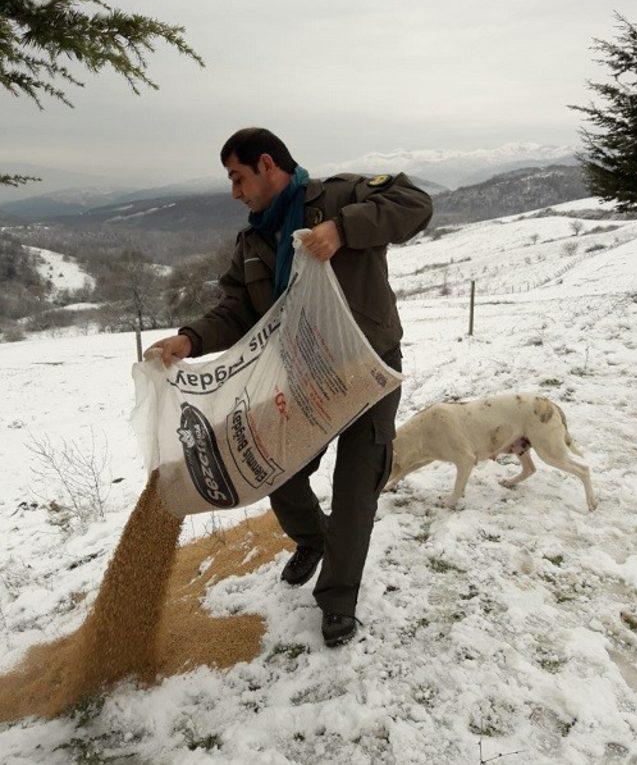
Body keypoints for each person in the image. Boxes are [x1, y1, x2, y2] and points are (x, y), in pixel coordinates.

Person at [145, 127, 432, 646]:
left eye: (238, 178)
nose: (235, 192)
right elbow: (237, 308)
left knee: (355, 488)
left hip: (368, 370)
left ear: (267, 165)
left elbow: (415, 203)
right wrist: (190, 339)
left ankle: (338, 600)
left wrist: (345, 229)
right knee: (275, 467)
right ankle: (313, 538)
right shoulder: (254, 241)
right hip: (305, 379)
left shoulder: (340, 196)